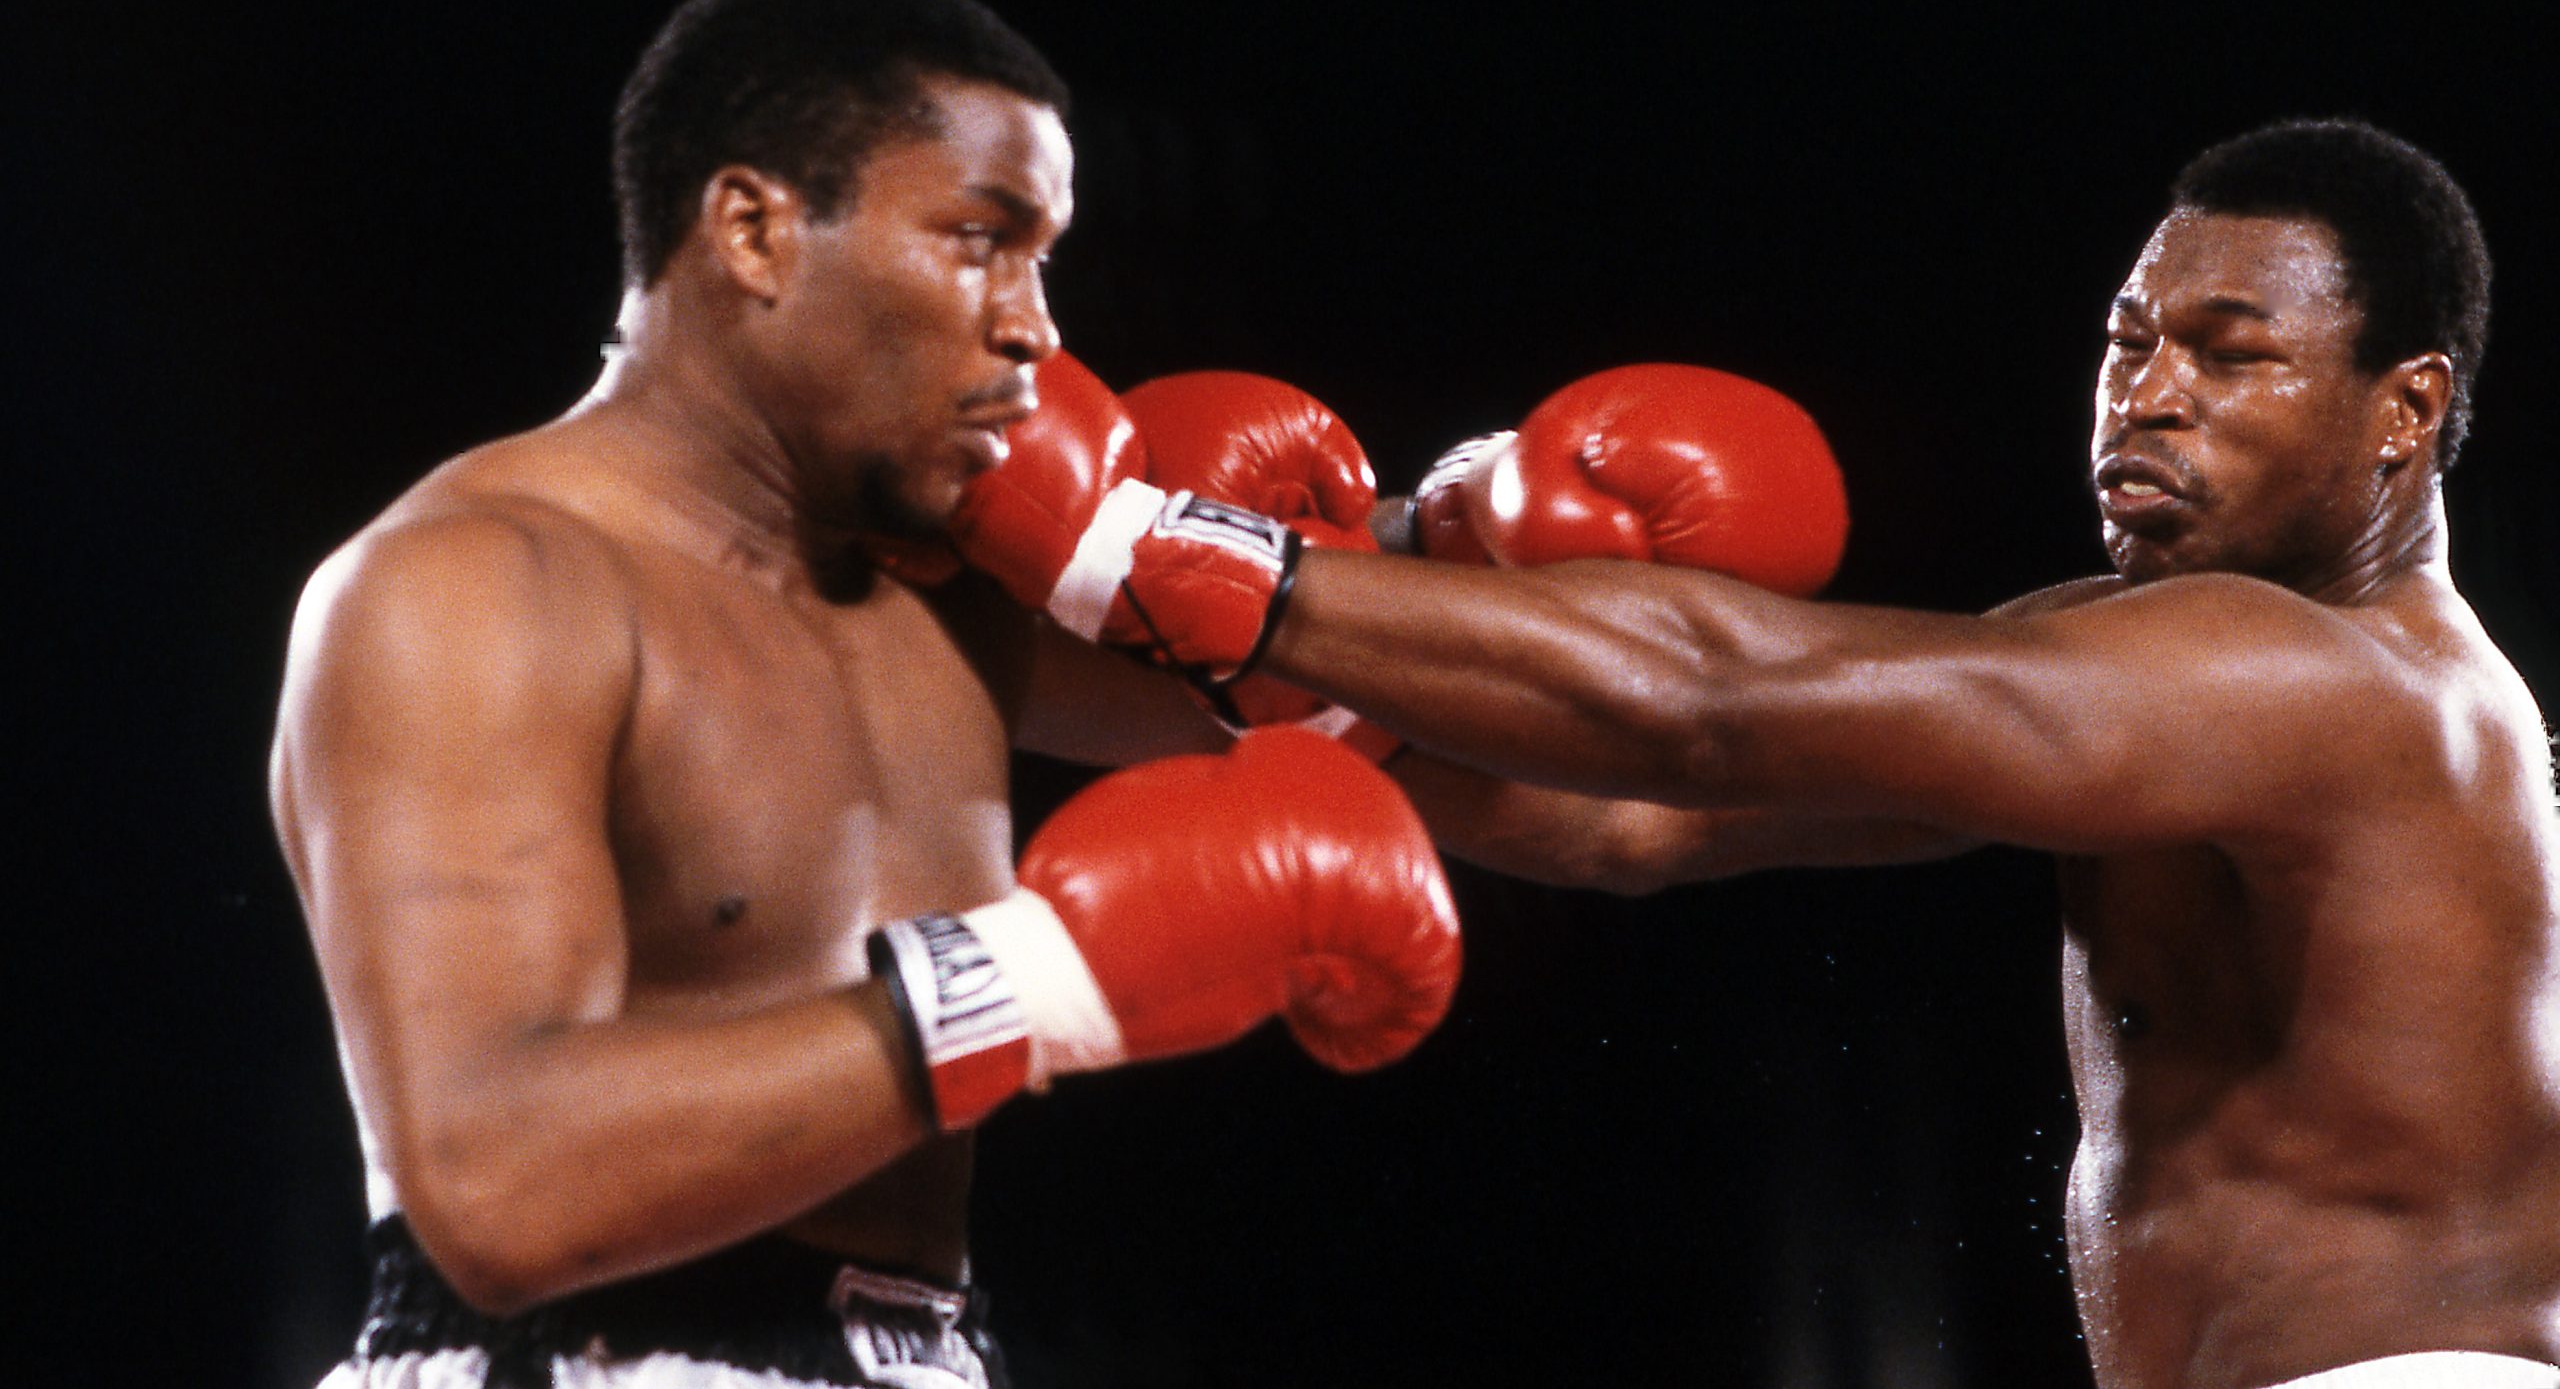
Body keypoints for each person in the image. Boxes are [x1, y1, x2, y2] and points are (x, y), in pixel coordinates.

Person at [950, 118, 2560, 1389]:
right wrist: (1022, 641)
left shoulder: (2344, 683)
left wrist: (1148, 543)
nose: (2146, 400)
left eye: (2229, 354)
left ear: (2405, 409)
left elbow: (1711, 700)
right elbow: (1635, 815)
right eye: (2128, 342)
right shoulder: (2145, 664)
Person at [267, 0, 1463, 1389]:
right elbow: (495, 1190)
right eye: (980, 237)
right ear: (756, 231)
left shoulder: (955, 592)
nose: (1036, 325)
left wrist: (1470, 512)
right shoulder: (473, 586)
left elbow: (1443, 736)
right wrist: (1042, 974)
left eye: (1046, 256)